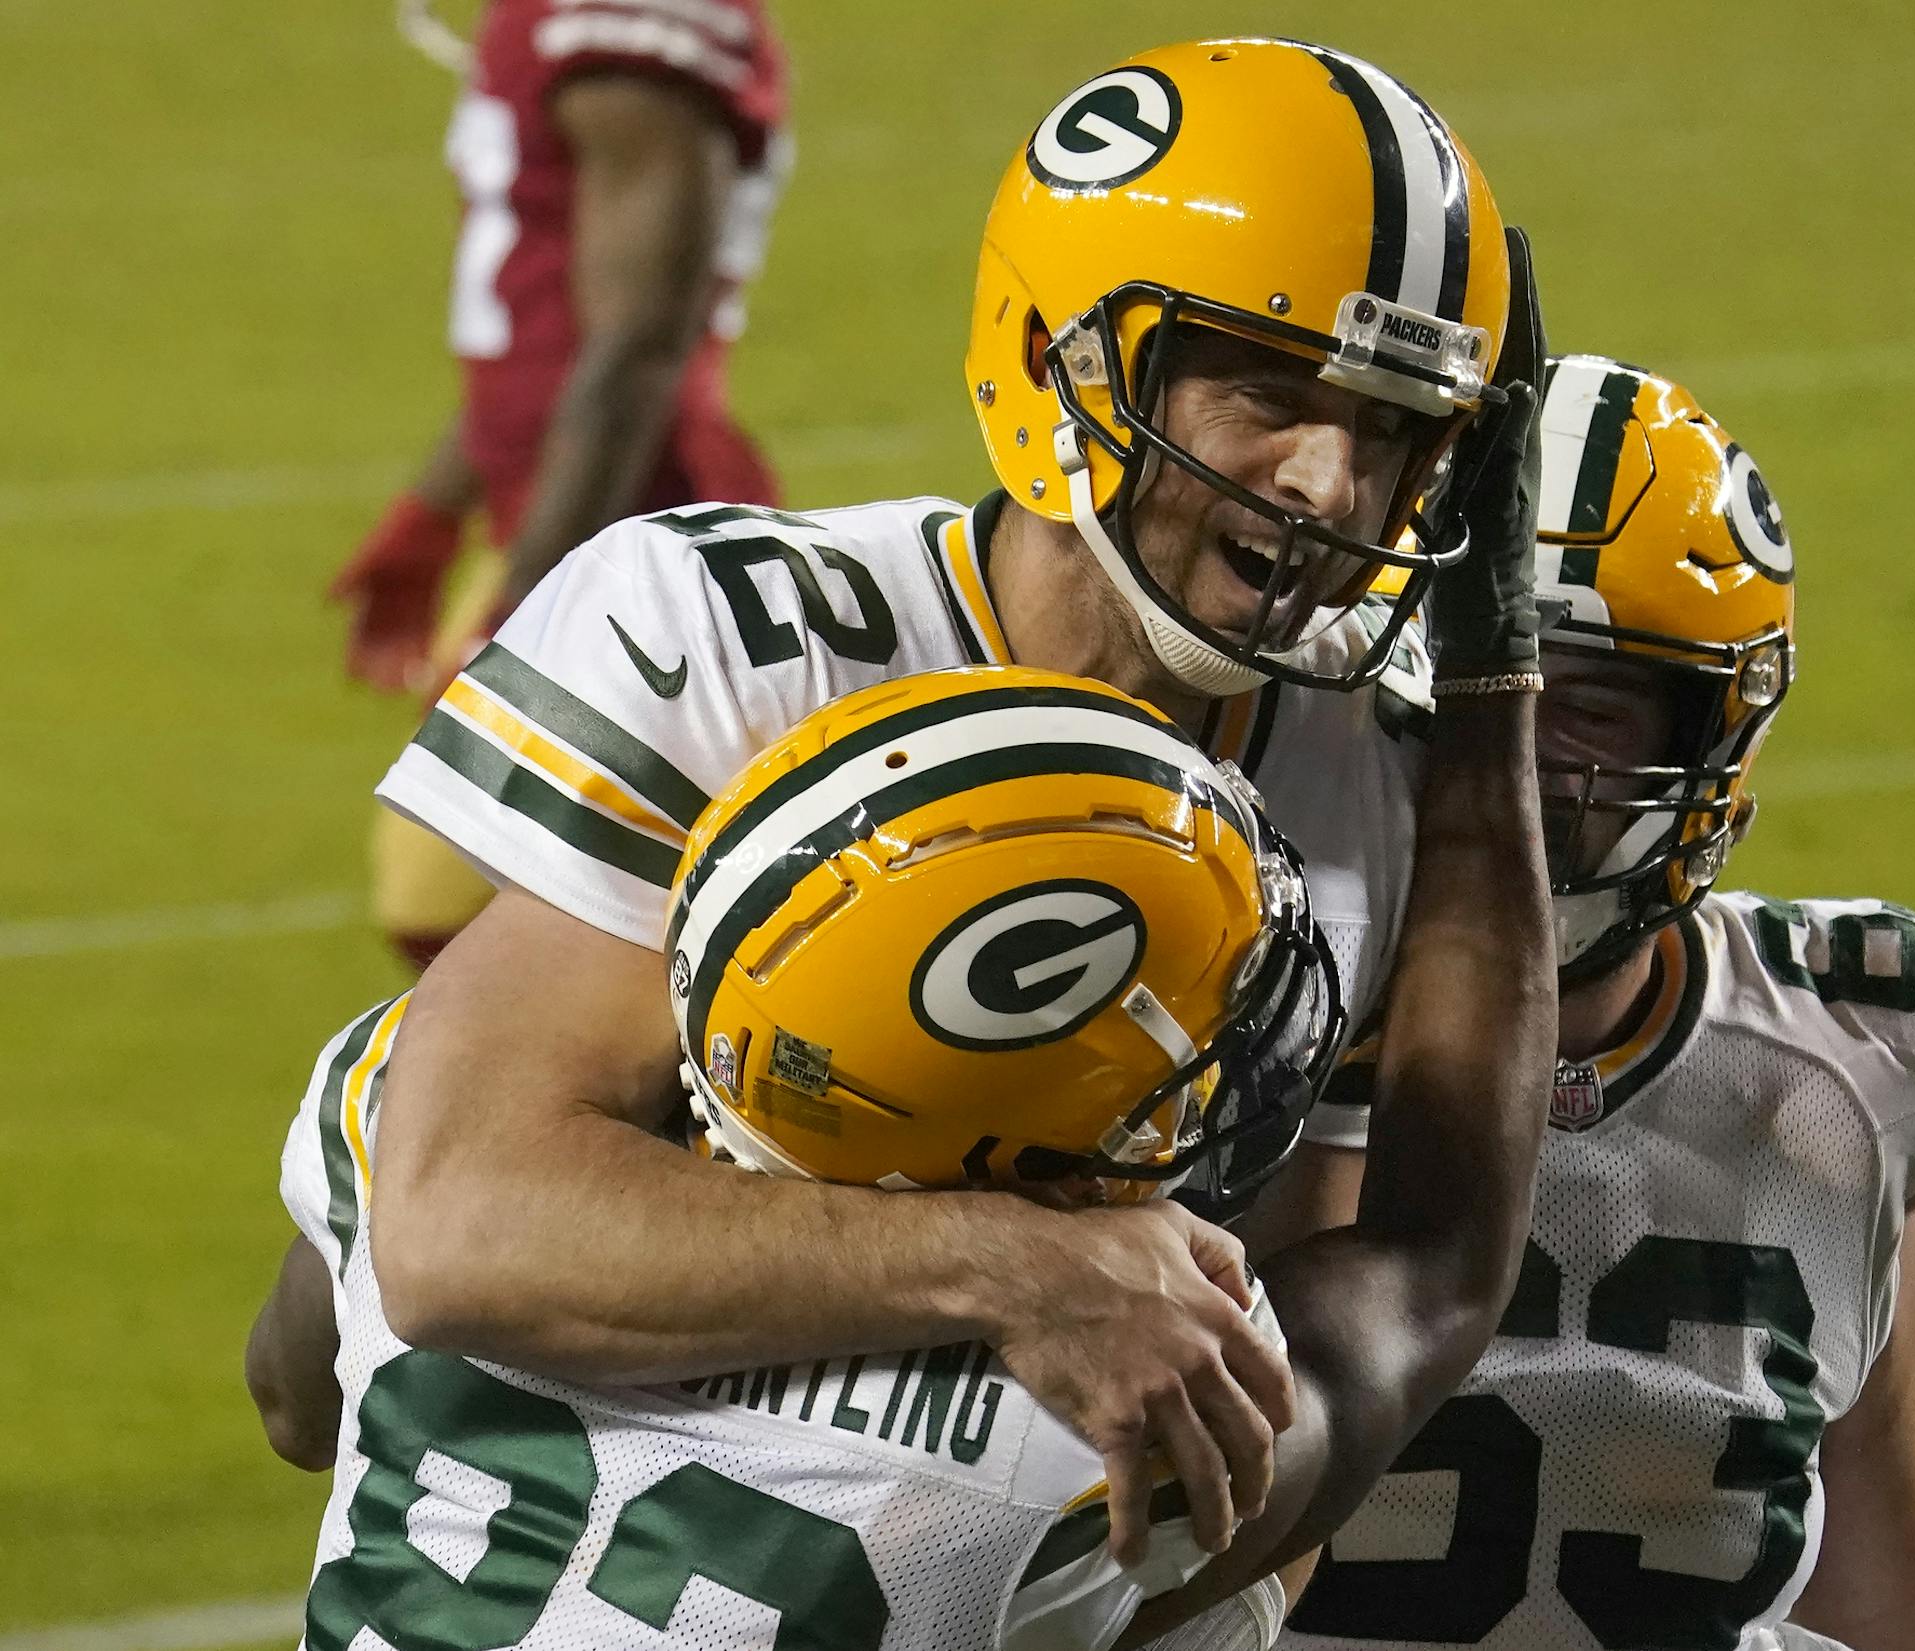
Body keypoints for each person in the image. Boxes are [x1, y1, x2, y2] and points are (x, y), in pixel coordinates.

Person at [274, 34, 1561, 1569]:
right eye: (1267, 388)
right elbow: (455, 1231)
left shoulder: (1389, 777)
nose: (1334, 480)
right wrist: (1011, 1268)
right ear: (1057, 362)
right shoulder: (745, 636)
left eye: (1400, 422)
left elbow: (1270, 1381)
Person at [258, 656, 1552, 1648]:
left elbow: (292, 1396)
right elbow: (1427, 1264)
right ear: (1007, 1134)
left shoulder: (396, 1105)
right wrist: (1491, 719)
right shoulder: (1098, 1424)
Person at [1245, 356, 1915, 1651]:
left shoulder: (1847, 1060)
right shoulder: (1192, 1041)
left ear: (1721, 726)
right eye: (1466, 679)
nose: (1519, 755)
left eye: (1591, 703)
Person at [328, 0, 790, 970]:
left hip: (625, 532)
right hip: (559, 505)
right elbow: (548, 326)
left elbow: (638, 343)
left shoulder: (624, 36)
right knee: (468, 908)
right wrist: (438, 503)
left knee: (458, 898)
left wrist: (520, 612)